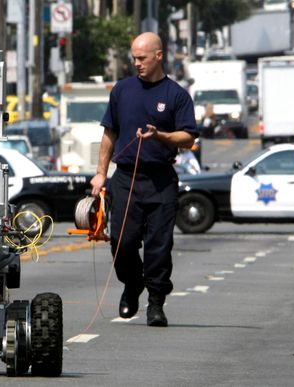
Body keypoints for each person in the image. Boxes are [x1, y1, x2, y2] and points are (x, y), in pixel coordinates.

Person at [90, 32, 198, 327]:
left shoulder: (176, 95)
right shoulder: (122, 91)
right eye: (134, 58)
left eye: (142, 58)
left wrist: (160, 135)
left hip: (161, 180)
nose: (136, 63)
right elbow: (109, 133)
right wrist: (101, 173)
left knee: (158, 246)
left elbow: (188, 138)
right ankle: (132, 283)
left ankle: (155, 302)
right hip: (125, 178)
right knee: (122, 243)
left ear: (158, 56)